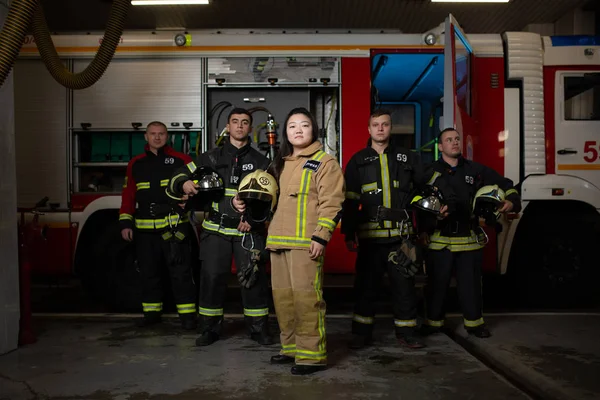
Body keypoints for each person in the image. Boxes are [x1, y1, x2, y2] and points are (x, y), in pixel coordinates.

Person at [234, 107, 345, 375]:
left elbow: (332, 203)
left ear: (313, 130)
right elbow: (261, 195)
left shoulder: (325, 163)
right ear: (285, 132)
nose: (298, 130)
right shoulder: (278, 164)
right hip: (278, 243)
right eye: (292, 125)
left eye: (304, 125)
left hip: (306, 245)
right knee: (283, 301)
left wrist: (321, 236)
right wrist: (239, 202)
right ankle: (292, 348)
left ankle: (311, 356)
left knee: (307, 300)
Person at [341, 109, 453, 350]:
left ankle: (407, 333)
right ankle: (361, 334)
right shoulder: (357, 160)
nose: (380, 128)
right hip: (370, 239)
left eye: (385, 124)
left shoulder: (408, 158)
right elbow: (350, 200)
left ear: (391, 128)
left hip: (401, 238)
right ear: (368, 129)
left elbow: (423, 195)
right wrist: (348, 233)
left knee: (405, 288)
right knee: (365, 288)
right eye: (376, 125)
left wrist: (424, 228)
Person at [169, 108, 273, 347]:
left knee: (254, 280)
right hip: (215, 231)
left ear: (250, 127)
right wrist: (185, 182)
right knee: (212, 279)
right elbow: (177, 176)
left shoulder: (262, 162)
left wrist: (254, 219)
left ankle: (258, 329)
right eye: (235, 122)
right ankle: (209, 329)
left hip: (248, 232)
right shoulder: (209, 158)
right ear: (228, 127)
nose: (239, 126)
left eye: (245, 122)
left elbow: (271, 200)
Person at [420, 128, 521, 338]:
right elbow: (418, 203)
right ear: (440, 147)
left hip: (469, 240)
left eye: (456, 139)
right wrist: (423, 230)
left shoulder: (476, 170)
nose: (454, 142)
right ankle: (433, 323)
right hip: (440, 241)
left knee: (471, 287)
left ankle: (475, 324)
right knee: (436, 286)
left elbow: (507, 185)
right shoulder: (429, 171)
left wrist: (511, 202)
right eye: (449, 140)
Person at [119, 121, 197, 330]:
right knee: (148, 272)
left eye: (161, 133)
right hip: (144, 230)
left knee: (180, 273)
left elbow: (196, 188)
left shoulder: (182, 160)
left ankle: (188, 317)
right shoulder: (136, 163)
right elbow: (128, 195)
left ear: (167, 136)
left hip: (173, 228)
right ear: (146, 136)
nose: (157, 137)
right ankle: (151, 314)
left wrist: (186, 202)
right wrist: (126, 222)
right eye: (153, 134)